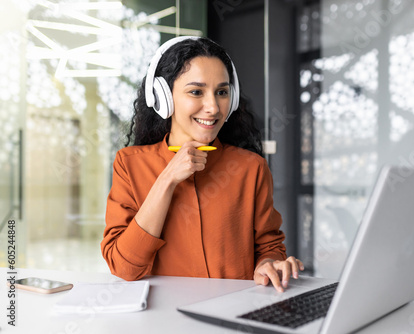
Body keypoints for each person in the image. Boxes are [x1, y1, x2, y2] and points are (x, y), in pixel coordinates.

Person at [101, 36, 303, 292]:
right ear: (163, 97)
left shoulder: (251, 168)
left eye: (222, 92)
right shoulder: (129, 165)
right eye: (196, 91)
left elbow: (268, 246)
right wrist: (167, 179)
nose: (213, 107)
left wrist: (269, 264)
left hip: (233, 316)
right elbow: (124, 267)